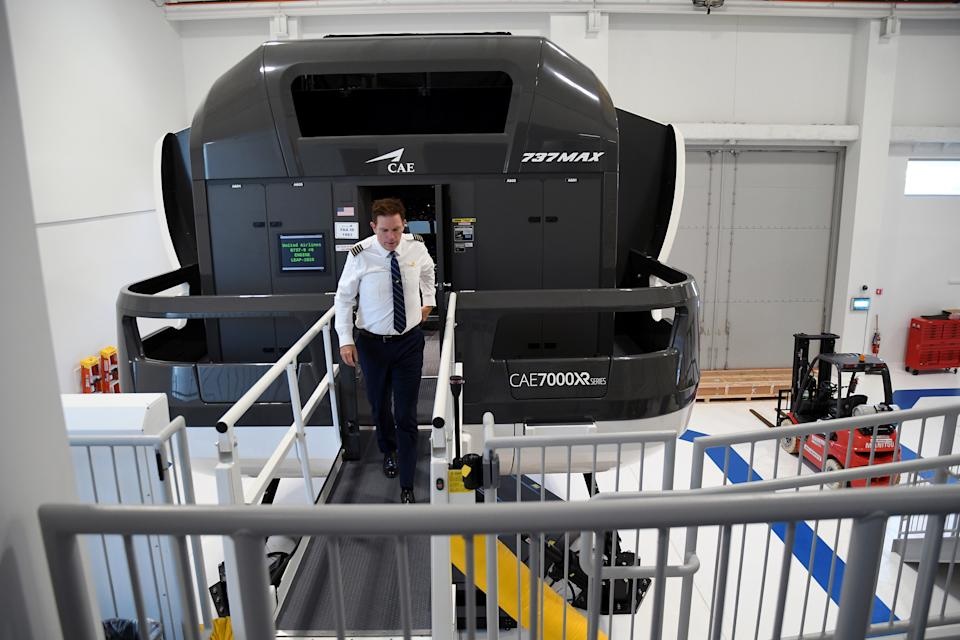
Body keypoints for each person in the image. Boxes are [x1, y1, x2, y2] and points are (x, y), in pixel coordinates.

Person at [334, 198, 436, 504]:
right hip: (372, 345)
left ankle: (407, 481)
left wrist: (428, 300)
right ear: (372, 228)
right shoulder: (360, 255)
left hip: (408, 343)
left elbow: (428, 273)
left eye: (395, 229)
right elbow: (343, 298)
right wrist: (345, 338)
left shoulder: (416, 247)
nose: (390, 237)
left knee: (405, 412)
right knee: (379, 407)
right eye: (383, 231)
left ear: (404, 224)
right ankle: (388, 450)